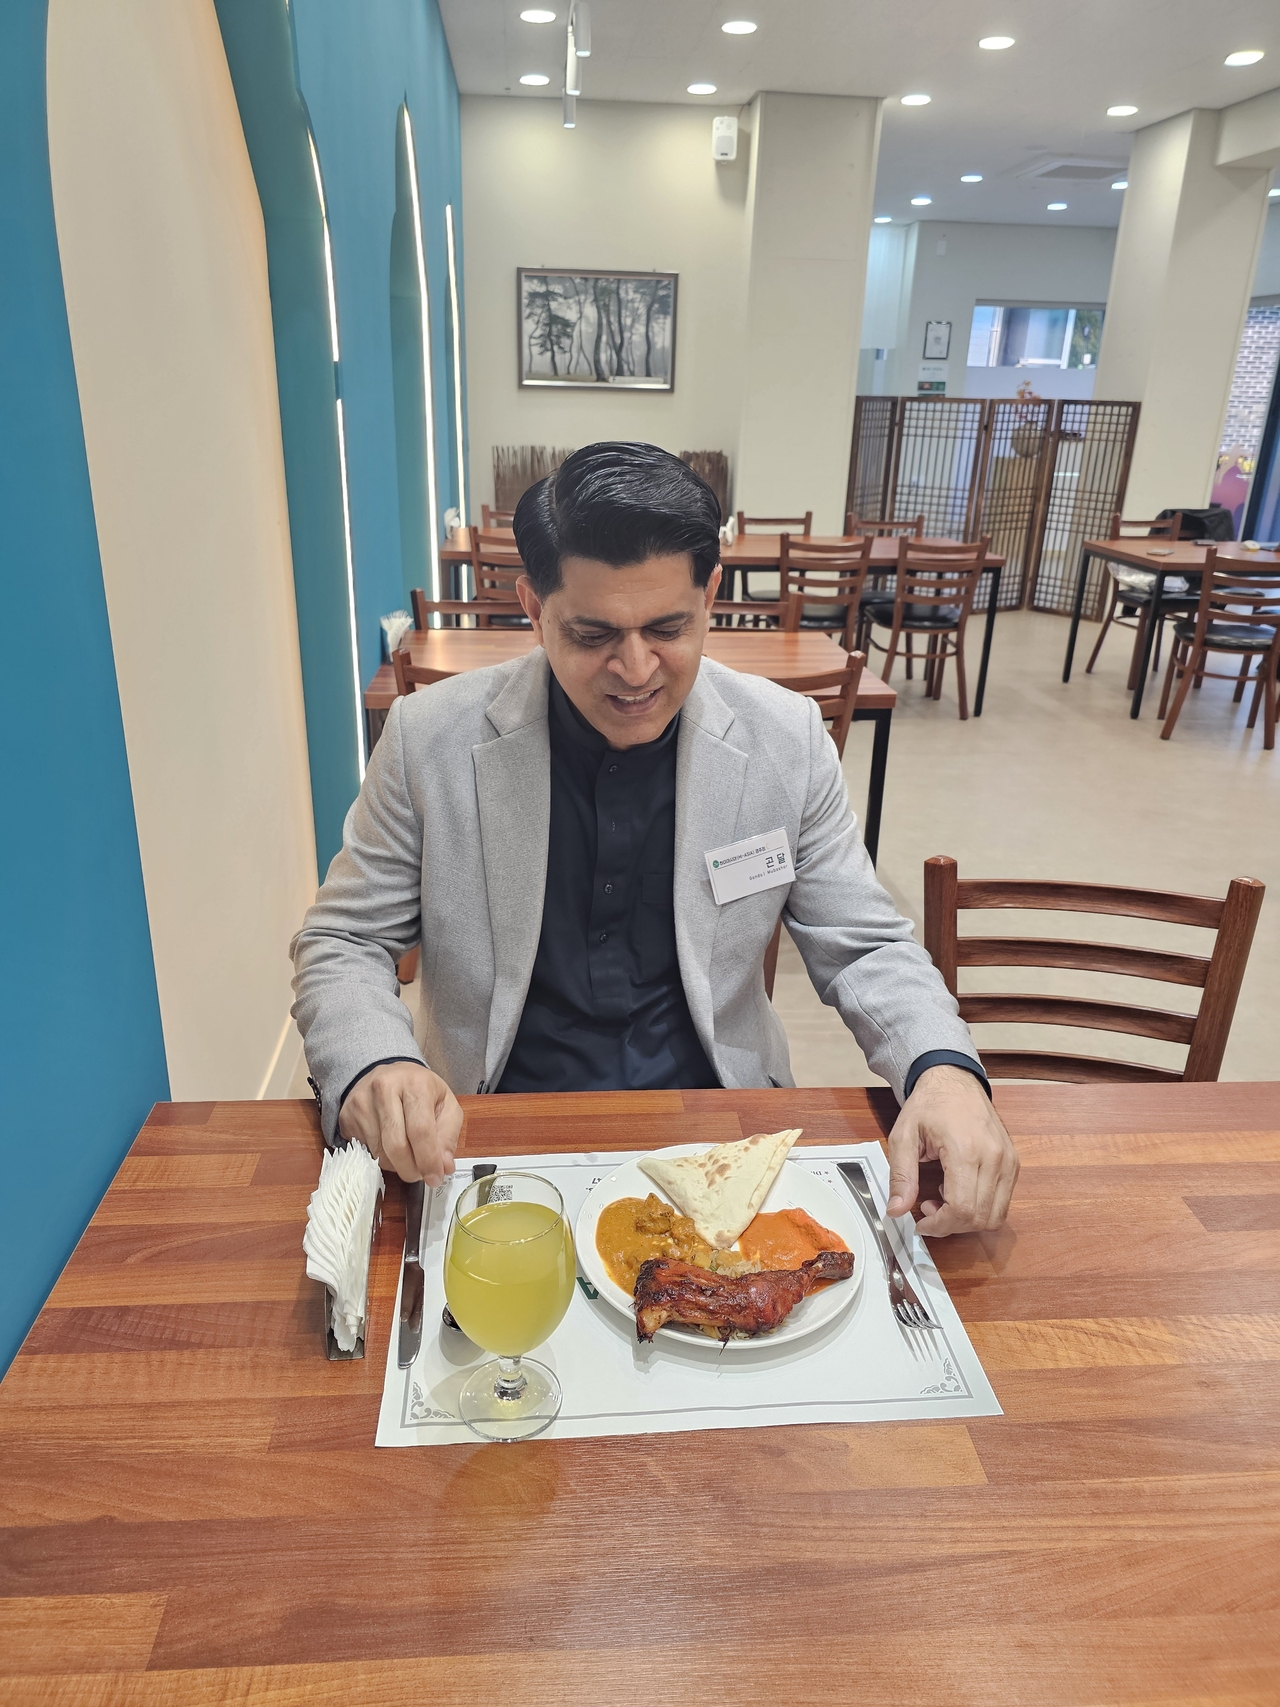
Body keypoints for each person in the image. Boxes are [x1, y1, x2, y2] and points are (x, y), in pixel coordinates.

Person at [291, 442, 1019, 1237]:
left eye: (668, 627)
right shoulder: (429, 740)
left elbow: (865, 943)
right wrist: (375, 1061)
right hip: (494, 1135)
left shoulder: (786, 740)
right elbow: (344, 938)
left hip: (721, 1132)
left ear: (711, 594)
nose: (636, 669)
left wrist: (944, 1066)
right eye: (593, 634)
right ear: (533, 608)